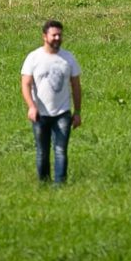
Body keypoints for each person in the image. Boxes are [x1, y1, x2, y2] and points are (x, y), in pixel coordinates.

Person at [20, 20, 82, 184]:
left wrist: (77, 112)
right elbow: (26, 84)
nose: (57, 38)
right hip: (40, 114)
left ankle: (60, 185)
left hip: (63, 113)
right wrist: (31, 107)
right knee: (42, 151)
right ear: (44, 36)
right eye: (54, 35)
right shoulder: (34, 58)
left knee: (61, 150)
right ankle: (44, 183)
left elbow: (76, 86)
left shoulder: (68, 58)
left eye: (59, 35)